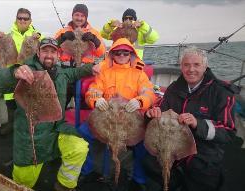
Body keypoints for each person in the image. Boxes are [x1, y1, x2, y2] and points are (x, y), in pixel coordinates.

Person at [0, 37, 96, 191]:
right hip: (32, 136)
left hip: (57, 128)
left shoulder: (61, 72)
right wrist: (14, 72)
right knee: (23, 183)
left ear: (58, 55)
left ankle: (64, 186)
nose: (49, 55)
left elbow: (75, 72)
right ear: (38, 52)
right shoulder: (27, 70)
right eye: (45, 50)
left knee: (79, 147)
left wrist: (93, 68)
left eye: (53, 52)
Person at [144, 46, 236, 191]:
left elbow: (228, 131)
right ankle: (174, 184)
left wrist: (197, 124)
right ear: (181, 67)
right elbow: (160, 109)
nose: (191, 69)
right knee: (149, 162)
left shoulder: (221, 92)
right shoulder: (174, 88)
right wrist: (151, 113)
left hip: (204, 152)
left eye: (196, 65)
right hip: (172, 143)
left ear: (205, 67)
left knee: (201, 179)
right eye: (186, 65)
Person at [82, 38, 155, 188]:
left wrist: (140, 101)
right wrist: (96, 100)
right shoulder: (104, 73)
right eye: (118, 52)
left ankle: (138, 179)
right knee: (83, 134)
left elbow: (149, 93)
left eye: (125, 52)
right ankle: (88, 170)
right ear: (112, 55)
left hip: (130, 120)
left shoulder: (139, 74)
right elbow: (92, 91)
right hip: (106, 118)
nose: (121, 55)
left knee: (143, 144)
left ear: (131, 55)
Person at [0, 8, 42, 135]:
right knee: (10, 103)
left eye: (25, 18)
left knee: (28, 104)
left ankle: (29, 128)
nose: (22, 20)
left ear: (30, 21)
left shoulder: (36, 36)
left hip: (28, 76)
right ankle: (12, 125)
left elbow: (42, 54)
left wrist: (39, 37)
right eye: (19, 18)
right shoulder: (8, 35)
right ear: (16, 19)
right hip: (12, 75)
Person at [54, 4, 106, 107]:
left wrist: (94, 40)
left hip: (85, 72)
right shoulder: (63, 31)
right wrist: (62, 38)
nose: (79, 18)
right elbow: (53, 49)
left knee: (84, 103)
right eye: (77, 15)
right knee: (60, 102)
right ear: (72, 16)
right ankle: (58, 119)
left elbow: (101, 52)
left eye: (82, 16)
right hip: (67, 71)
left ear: (86, 17)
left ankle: (81, 119)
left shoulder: (94, 32)